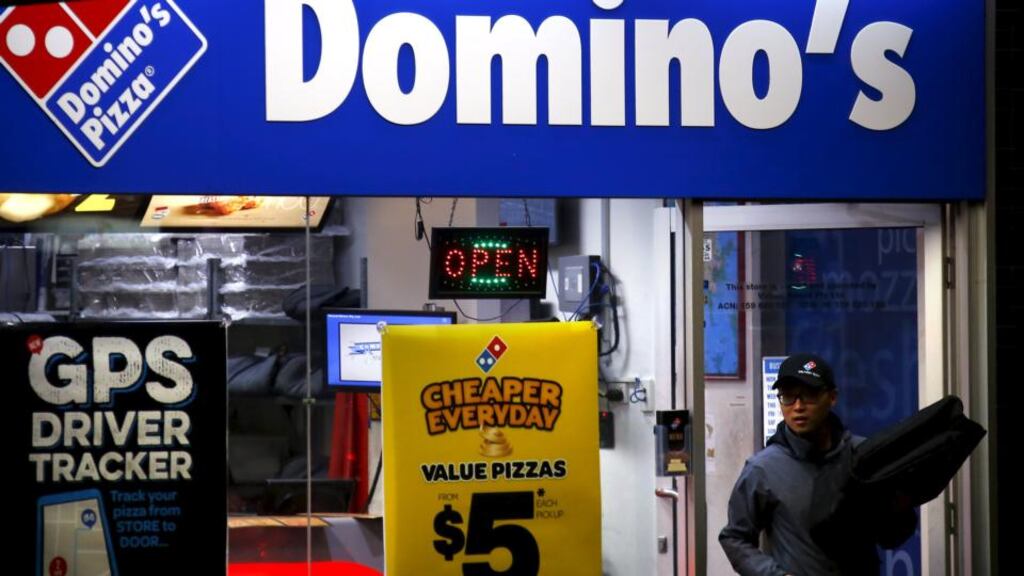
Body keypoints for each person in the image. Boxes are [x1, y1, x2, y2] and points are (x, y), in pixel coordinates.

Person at [719, 353, 916, 576]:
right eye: (788, 397)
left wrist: (900, 508)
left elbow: (892, 537)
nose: (798, 406)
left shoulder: (862, 456)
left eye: (810, 395)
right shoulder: (762, 469)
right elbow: (734, 537)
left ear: (832, 397)